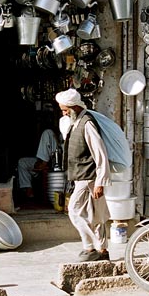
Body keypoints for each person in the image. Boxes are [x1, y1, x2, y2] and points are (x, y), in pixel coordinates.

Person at [56, 88, 110, 262]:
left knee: (74, 211)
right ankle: (102, 250)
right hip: (82, 176)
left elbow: (100, 153)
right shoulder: (75, 122)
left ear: (74, 107)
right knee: (96, 215)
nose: (64, 113)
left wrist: (100, 181)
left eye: (65, 110)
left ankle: (90, 247)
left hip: (89, 177)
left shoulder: (87, 123)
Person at [17, 128, 61, 201]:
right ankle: (28, 189)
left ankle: (43, 163)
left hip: (59, 156)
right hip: (48, 157)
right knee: (22, 162)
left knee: (48, 132)